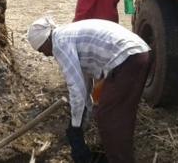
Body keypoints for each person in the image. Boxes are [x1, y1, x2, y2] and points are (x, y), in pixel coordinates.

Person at [27, 17, 151, 163]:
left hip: (127, 59)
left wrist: (75, 126)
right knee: (121, 115)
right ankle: (123, 156)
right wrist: (85, 114)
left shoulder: (60, 43)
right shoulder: (67, 34)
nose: (45, 55)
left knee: (108, 117)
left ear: (45, 41)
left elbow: (75, 88)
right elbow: (84, 83)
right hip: (139, 54)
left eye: (42, 50)